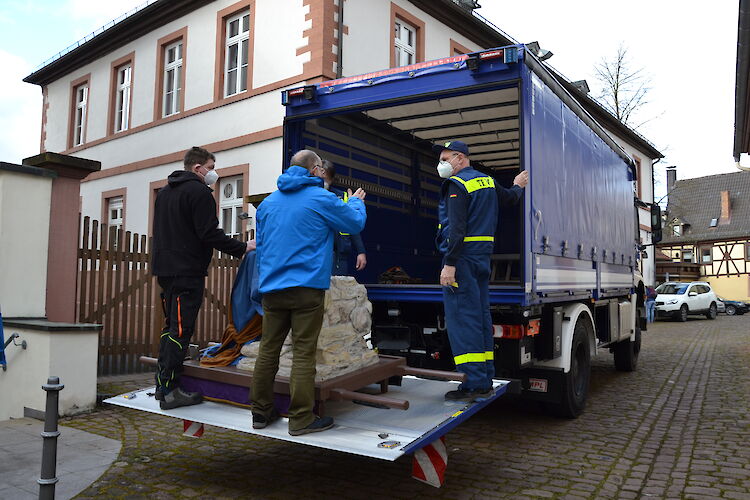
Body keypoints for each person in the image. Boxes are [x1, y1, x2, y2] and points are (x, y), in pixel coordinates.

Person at [251, 149, 367, 436]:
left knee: (268, 349)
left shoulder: (267, 204)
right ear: (315, 170)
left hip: (272, 289)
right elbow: (353, 223)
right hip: (306, 289)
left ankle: (261, 412)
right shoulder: (321, 198)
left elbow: (262, 247)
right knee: (303, 353)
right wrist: (355, 202)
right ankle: (301, 418)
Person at [152, 146, 254, 410]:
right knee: (181, 330)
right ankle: (171, 390)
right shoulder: (199, 193)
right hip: (187, 271)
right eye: (211, 167)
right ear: (198, 168)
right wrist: (242, 248)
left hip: (165, 269)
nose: (213, 173)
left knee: (170, 327)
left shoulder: (164, 193)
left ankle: (162, 385)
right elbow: (209, 234)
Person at [434, 140, 528, 402]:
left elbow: (456, 229)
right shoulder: (485, 181)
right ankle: (484, 376)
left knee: (463, 321)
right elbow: (509, 198)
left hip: (462, 259)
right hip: (482, 259)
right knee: (480, 317)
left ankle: (473, 383)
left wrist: (449, 264)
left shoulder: (457, 185)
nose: (441, 164)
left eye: (445, 159)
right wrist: (518, 185)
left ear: (460, 159)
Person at [318, 160, 367, 275]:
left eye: (327, 179)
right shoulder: (311, 197)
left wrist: (361, 251)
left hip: (340, 254)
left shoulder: (342, 197)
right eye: (321, 178)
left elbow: (351, 224)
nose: (324, 183)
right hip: (318, 253)